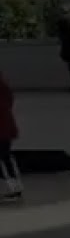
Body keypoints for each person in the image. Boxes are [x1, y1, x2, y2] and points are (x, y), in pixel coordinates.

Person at [0, 72, 22, 201]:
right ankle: (15, 187)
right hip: (6, 127)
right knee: (6, 157)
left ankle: (13, 189)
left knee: (3, 158)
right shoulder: (4, 87)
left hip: (2, 129)